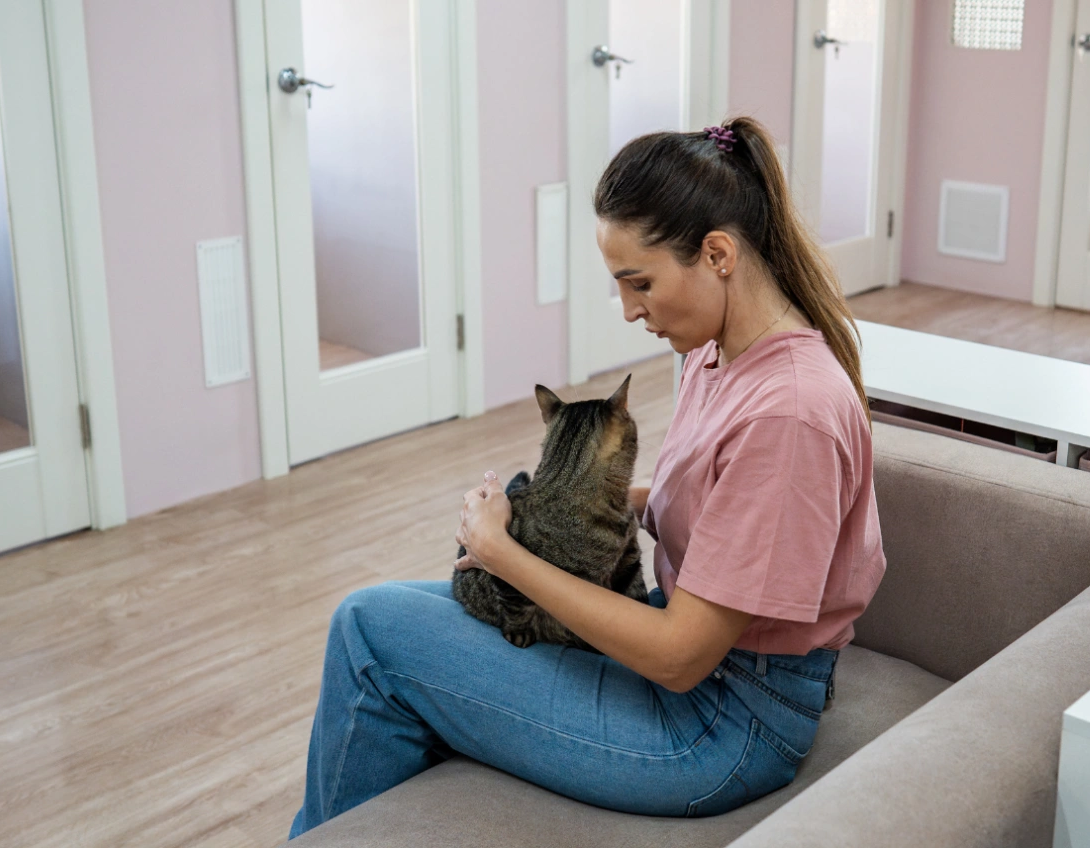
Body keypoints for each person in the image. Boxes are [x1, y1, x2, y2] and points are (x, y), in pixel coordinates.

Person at [288, 116, 884, 838]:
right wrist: (560, 508)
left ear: (718, 253)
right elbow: (716, 508)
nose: (631, 310)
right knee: (396, 615)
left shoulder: (789, 412)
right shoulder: (718, 353)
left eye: (640, 284)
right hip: (707, 680)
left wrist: (504, 552)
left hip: (719, 728)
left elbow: (679, 656)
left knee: (369, 629)